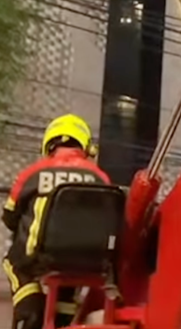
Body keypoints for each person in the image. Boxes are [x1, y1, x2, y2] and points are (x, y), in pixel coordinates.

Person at [3, 114, 109, 329]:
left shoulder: (32, 174)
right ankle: (62, 318)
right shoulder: (100, 177)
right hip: (89, 261)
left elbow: (9, 216)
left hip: (40, 258)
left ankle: (30, 308)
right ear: (85, 145)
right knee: (70, 276)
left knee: (13, 263)